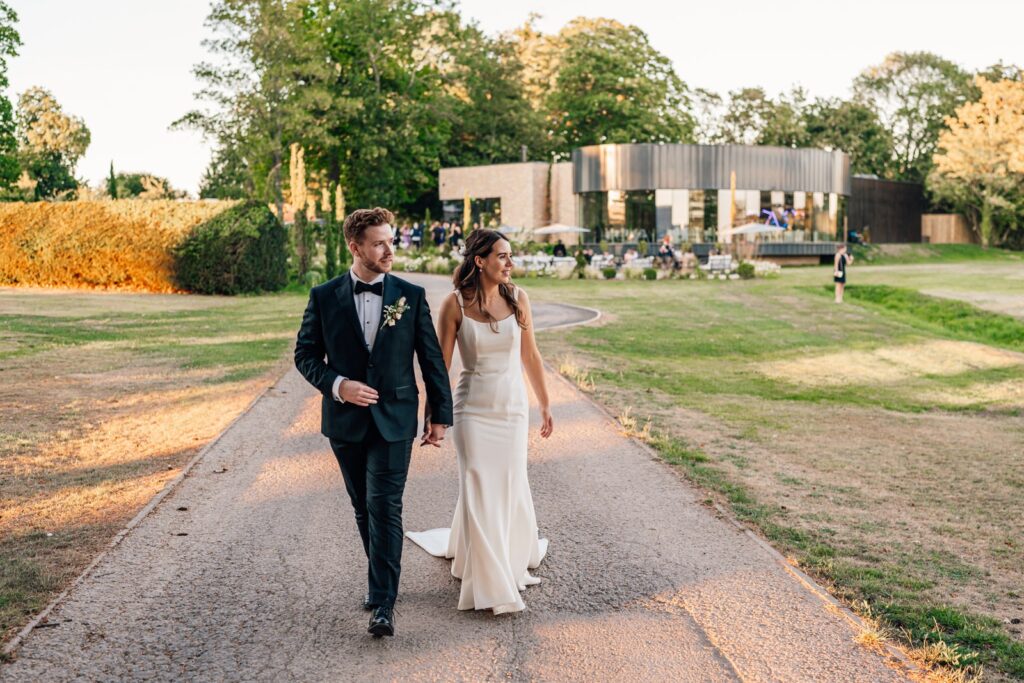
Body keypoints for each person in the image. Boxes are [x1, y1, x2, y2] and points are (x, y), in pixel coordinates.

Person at [294, 207, 453, 638]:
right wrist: (339, 385)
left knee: (385, 506)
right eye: (379, 243)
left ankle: (383, 602)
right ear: (355, 247)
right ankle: (380, 578)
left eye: (390, 241)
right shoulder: (324, 296)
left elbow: (431, 359)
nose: (389, 250)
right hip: (344, 422)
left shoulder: (410, 294)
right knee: (363, 507)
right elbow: (305, 355)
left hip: (395, 418)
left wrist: (439, 415)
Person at [406, 229, 553, 615]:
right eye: (502, 256)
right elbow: (439, 367)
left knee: (507, 483)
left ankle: (501, 555)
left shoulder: (519, 298)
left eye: (510, 256)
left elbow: (531, 355)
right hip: (472, 409)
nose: (510, 263)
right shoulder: (454, 304)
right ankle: (492, 581)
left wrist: (545, 404)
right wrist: (434, 416)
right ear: (480, 261)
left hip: (512, 408)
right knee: (477, 484)